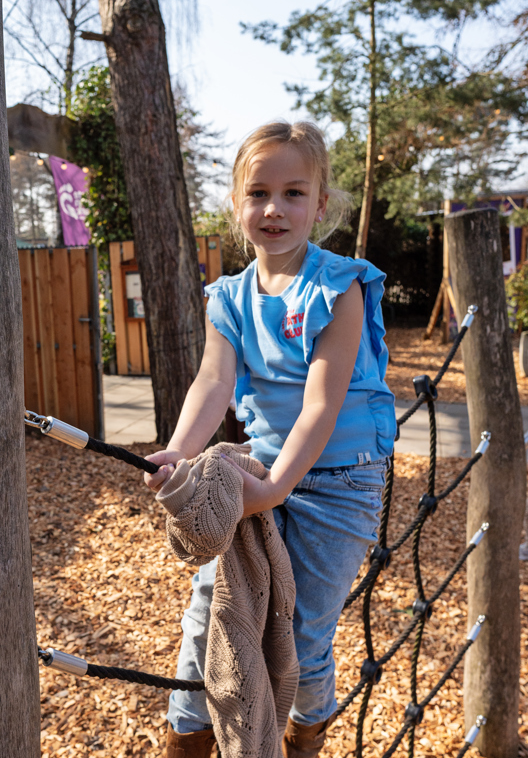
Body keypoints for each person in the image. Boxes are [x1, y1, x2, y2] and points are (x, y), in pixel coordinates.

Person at [145, 121, 396, 758]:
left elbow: (322, 402)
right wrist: (178, 451)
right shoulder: (226, 297)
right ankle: (188, 739)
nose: (274, 209)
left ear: (321, 203)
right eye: (258, 193)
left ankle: (302, 733)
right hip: (258, 469)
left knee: (299, 631)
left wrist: (278, 487)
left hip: (339, 479)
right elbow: (213, 378)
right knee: (210, 619)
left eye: (293, 192)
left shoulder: (340, 287)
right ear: (237, 204)